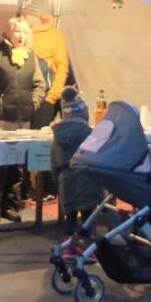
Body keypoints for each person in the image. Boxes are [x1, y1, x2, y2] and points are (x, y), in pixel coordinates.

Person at [0, 16, 45, 223]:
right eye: (17, 32)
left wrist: (34, 102)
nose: (21, 36)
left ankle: (10, 205)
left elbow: (40, 84)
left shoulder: (31, 56)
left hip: (23, 118)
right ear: (7, 33)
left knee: (17, 163)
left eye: (24, 32)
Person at [50, 87, 101, 237]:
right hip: (87, 180)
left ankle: (68, 245)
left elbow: (54, 161)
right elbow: (95, 157)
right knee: (87, 219)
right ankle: (87, 245)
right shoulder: (88, 132)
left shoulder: (57, 135)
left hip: (66, 181)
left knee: (70, 219)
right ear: (84, 113)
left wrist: (57, 181)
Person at [20, 2, 71, 128]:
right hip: (23, 98)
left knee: (38, 136)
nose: (21, 19)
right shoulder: (21, 33)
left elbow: (62, 68)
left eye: (24, 16)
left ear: (35, 16)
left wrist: (52, 97)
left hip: (45, 98)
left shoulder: (54, 35)